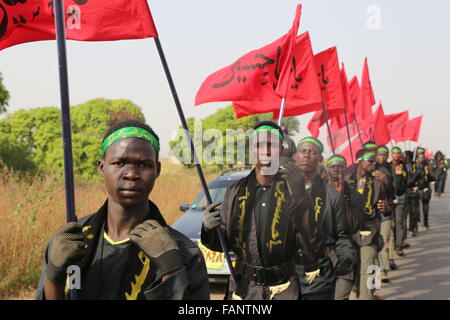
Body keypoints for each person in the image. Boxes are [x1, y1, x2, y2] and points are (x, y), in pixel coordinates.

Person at [36, 120, 210, 300]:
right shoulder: (70, 241)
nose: (132, 174)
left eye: (144, 165)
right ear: (102, 167)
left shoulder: (183, 252)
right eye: (119, 163)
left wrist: (172, 271)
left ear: (157, 170)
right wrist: (54, 276)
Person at [201, 121, 324, 300]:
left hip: (285, 289)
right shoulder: (235, 191)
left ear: (280, 150)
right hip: (244, 289)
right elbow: (223, 245)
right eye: (259, 145)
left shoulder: (294, 190)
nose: (266, 151)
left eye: (272, 145)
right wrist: (209, 229)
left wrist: (301, 200)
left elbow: (313, 246)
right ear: (252, 150)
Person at [294, 137, 355, 300]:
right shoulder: (278, 193)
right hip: (286, 281)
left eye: (312, 152)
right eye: (303, 151)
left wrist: (345, 259)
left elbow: (341, 236)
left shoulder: (333, 197)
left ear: (320, 159)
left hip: (319, 280)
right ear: (295, 157)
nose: (307, 155)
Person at [345, 149, 390, 300]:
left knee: (370, 265)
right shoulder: (345, 180)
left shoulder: (377, 183)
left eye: (375, 160)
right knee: (353, 267)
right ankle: (359, 287)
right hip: (348, 231)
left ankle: (369, 294)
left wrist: (386, 208)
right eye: (370, 160)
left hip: (370, 230)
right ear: (359, 160)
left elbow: (387, 205)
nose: (374, 163)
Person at [326, 154, 364, 300]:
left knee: (340, 296)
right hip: (322, 258)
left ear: (346, 169)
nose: (336, 169)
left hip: (345, 256)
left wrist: (340, 199)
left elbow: (353, 225)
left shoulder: (355, 196)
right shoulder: (316, 193)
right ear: (327, 169)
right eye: (332, 166)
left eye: (340, 166)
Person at [390, 147, 408, 257]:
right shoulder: (387, 166)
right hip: (390, 198)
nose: (396, 155)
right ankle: (393, 244)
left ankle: (399, 247)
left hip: (401, 198)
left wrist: (400, 174)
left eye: (398, 153)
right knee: (391, 224)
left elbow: (404, 183)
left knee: (399, 222)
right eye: (394, 153)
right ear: (391, 155)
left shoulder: (403, 166)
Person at [416, 152, 435, 230]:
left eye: (422, 157)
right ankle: (417, 222)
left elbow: (432, 179)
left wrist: (427, 173)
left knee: (425, 207)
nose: (421, 159)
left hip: (426, 189)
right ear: (417, 158)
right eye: (419, 157)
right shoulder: (414, 166)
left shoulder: (428, 166)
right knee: (416, 208)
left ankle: (426, 223)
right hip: (416, 189)